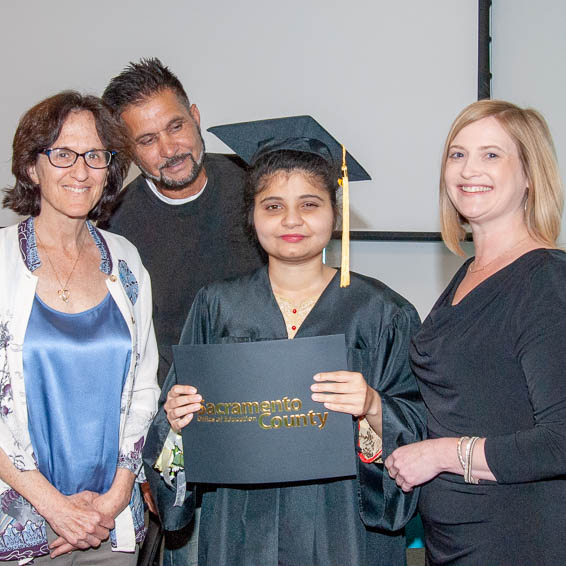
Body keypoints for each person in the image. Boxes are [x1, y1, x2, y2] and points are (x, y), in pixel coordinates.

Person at [144, 116, 426, 566]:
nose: (291, 220)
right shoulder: (218, 307)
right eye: (272, 205)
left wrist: (373, 406)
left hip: (344, 529)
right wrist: (175, 424)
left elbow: (417, 425)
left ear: (335, 212)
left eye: (310, 204)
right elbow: (172, 439)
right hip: (237, 524)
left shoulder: (381, 313)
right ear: (252, 215)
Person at [385, 100, 566, 565]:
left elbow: (560, 441)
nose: (468, 169)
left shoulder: (546, 279)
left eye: (491, 155)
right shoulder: (468, 272)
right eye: (457, 154)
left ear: (529, 175)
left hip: (517, 541)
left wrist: (443, 455)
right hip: (449, 542)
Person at [101, 58, 265, 565]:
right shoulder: (115, 229)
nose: (170, 150)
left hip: (270, 417)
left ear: (196, 116)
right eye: (147, 140)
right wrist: (152, 461)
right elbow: (124, 363)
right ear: (128, 151)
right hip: (179, 438)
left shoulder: (257, 189)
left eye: (176, 126)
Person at [0, 91, 160, 564]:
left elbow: (145, 389)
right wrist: (55, 508)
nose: (81, 170)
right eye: (63, 154)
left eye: (95, 155)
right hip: (21, 520)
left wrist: (110, 501)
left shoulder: (126, 260)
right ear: (32, 167)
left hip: (107, 521)